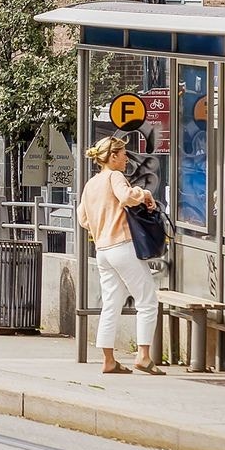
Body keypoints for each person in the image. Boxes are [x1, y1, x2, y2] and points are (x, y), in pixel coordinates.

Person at [79, 136, 163, 375]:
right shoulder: (114, 176)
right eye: (124, 153)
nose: (127, 158)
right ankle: (144, 357)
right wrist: (144, 193)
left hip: (103, 250)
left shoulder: (91, 184)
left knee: (111, 304)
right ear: (112, 156)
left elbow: (83, 219)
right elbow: (126, 197)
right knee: (147, 301)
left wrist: (102, 223)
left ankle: (108, 360)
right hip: (122, 246)